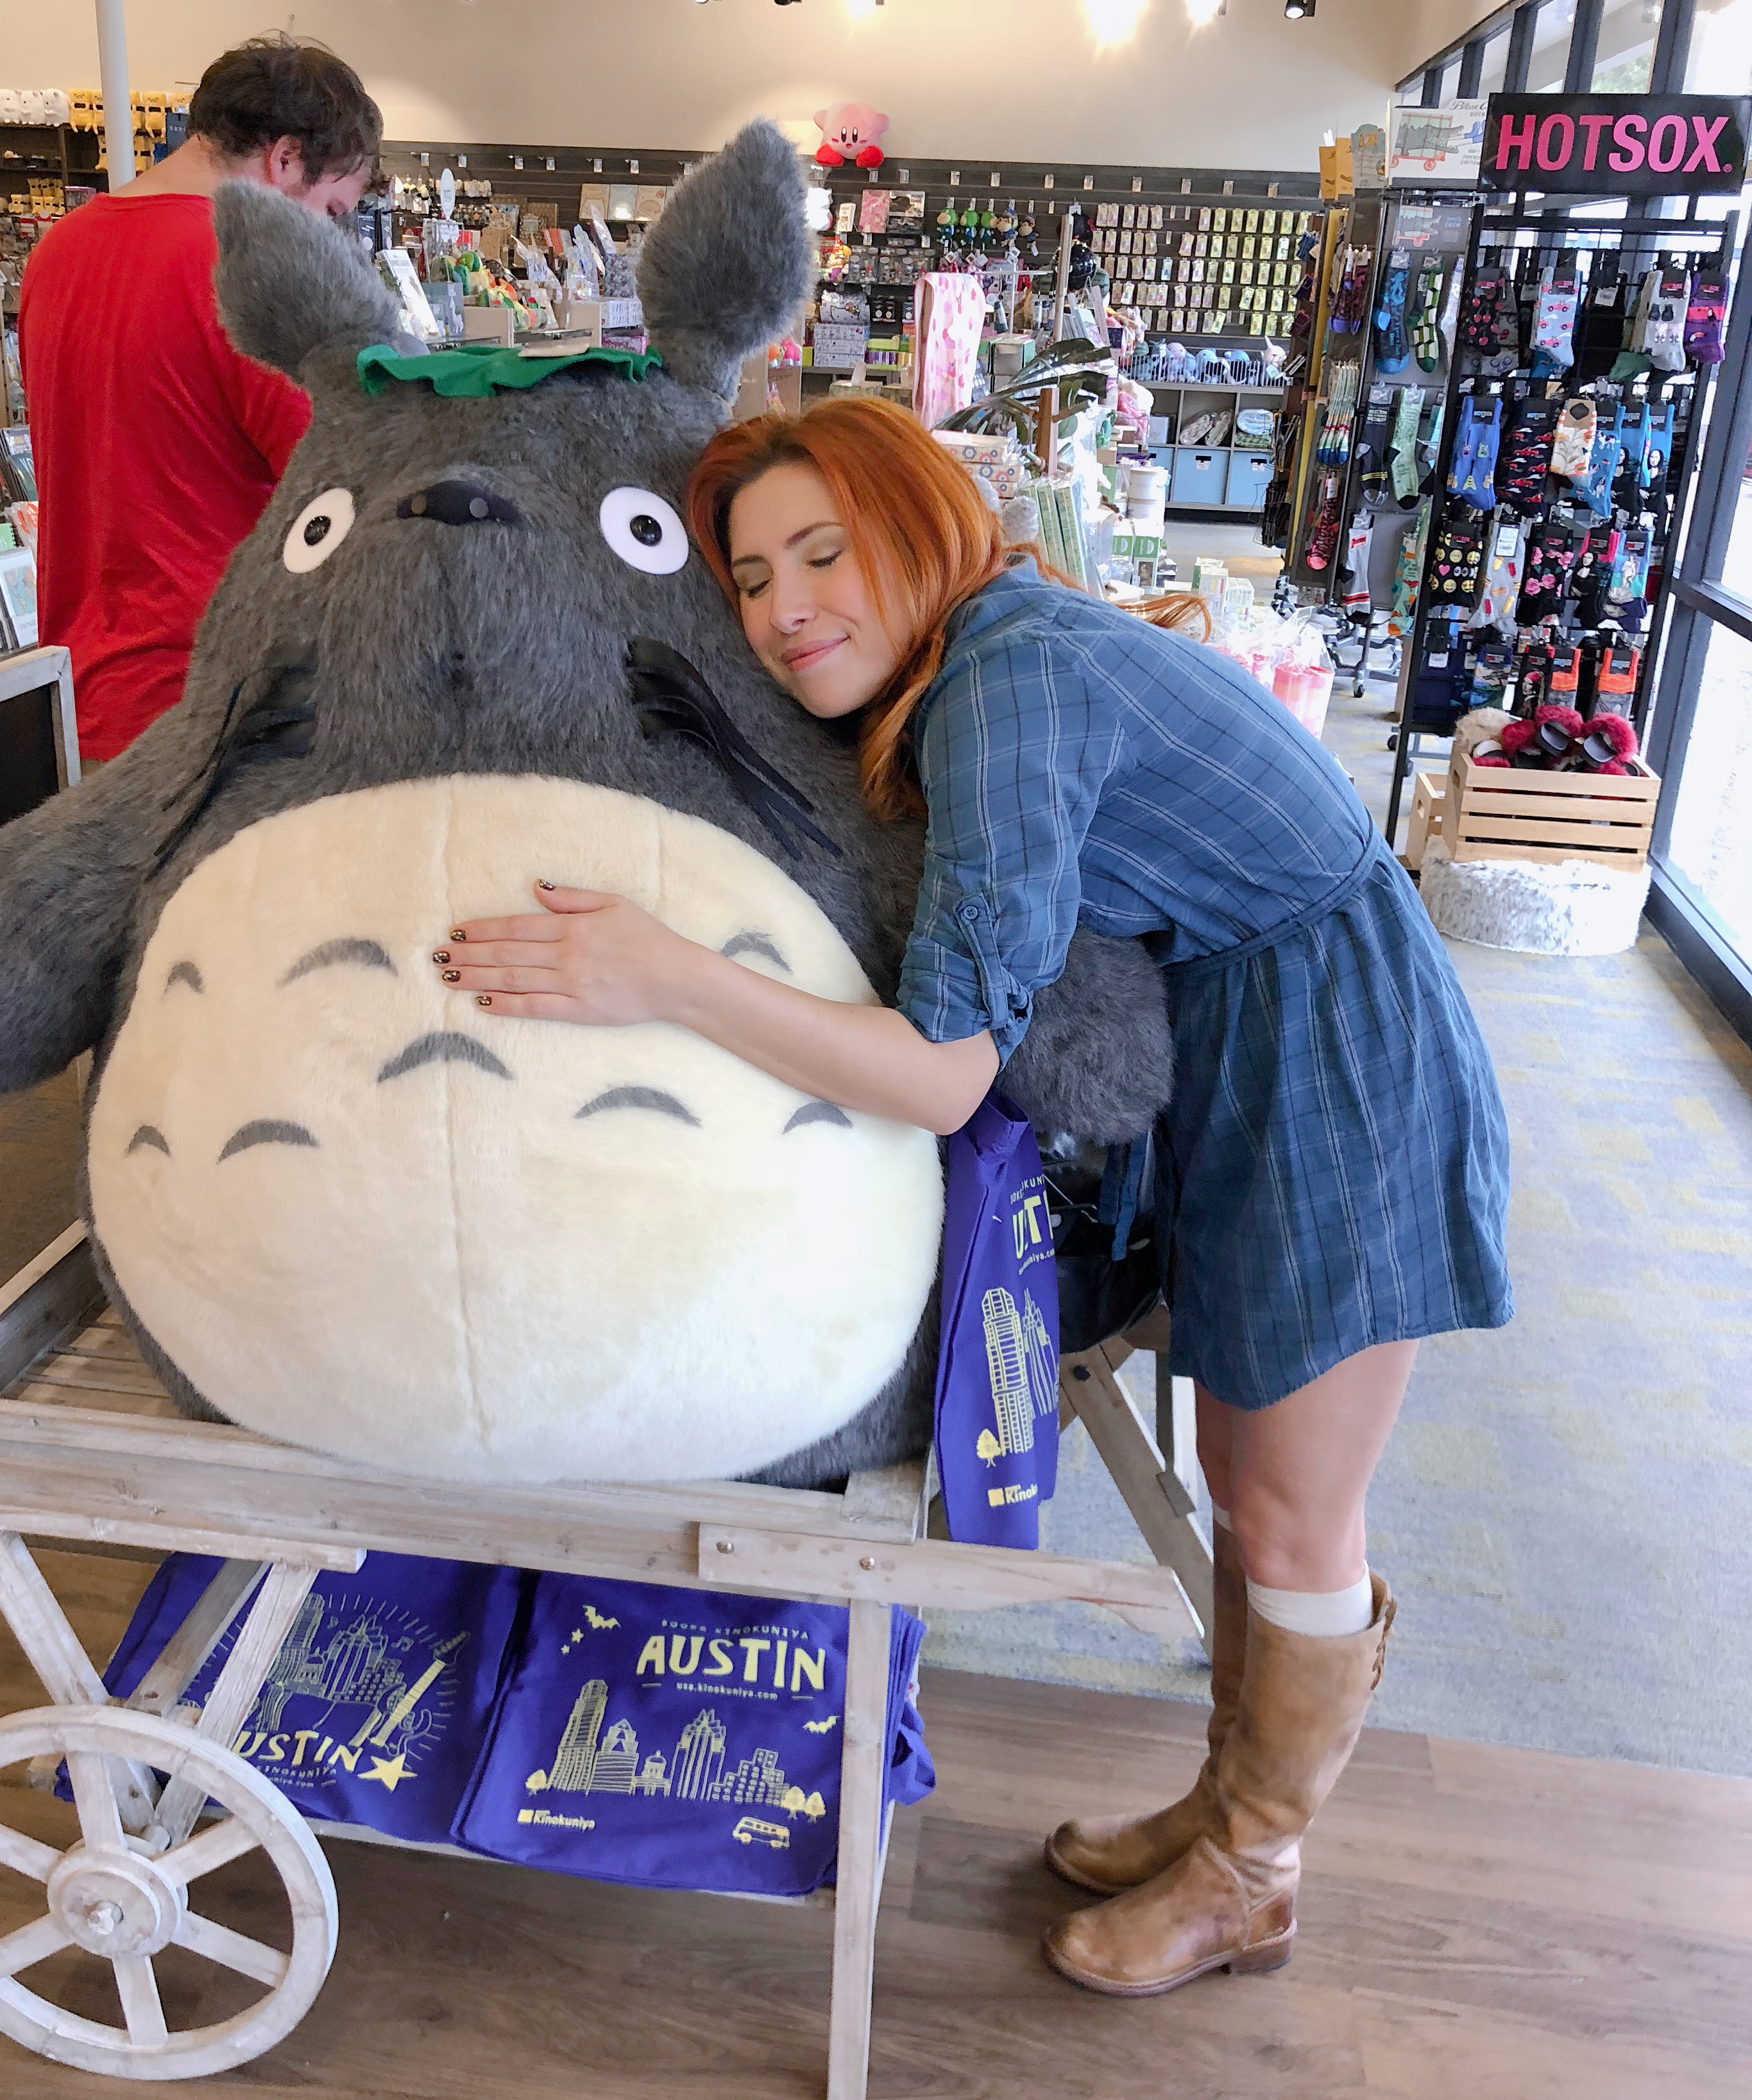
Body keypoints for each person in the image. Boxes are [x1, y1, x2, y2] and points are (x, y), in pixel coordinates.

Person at [429, 397, 1512, 2002]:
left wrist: (660, 973)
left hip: (1338, 1058)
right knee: (1240, 1468)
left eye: (824, 553)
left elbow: (939, 1073)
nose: (784, 609)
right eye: (750, 579)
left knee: (1295, 1504)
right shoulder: (988, 653)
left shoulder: (1005, 686)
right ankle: (1229, 1815)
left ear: (919, 525)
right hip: (1252, 1033)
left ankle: (1256, 1871)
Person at [17, 34, 380, 761]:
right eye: (332, 211)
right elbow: (350, 493)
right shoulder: (253, 273)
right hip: (224, 709)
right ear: (285, 160)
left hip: (85, 697)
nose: (330, 239)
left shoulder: (57, 252)